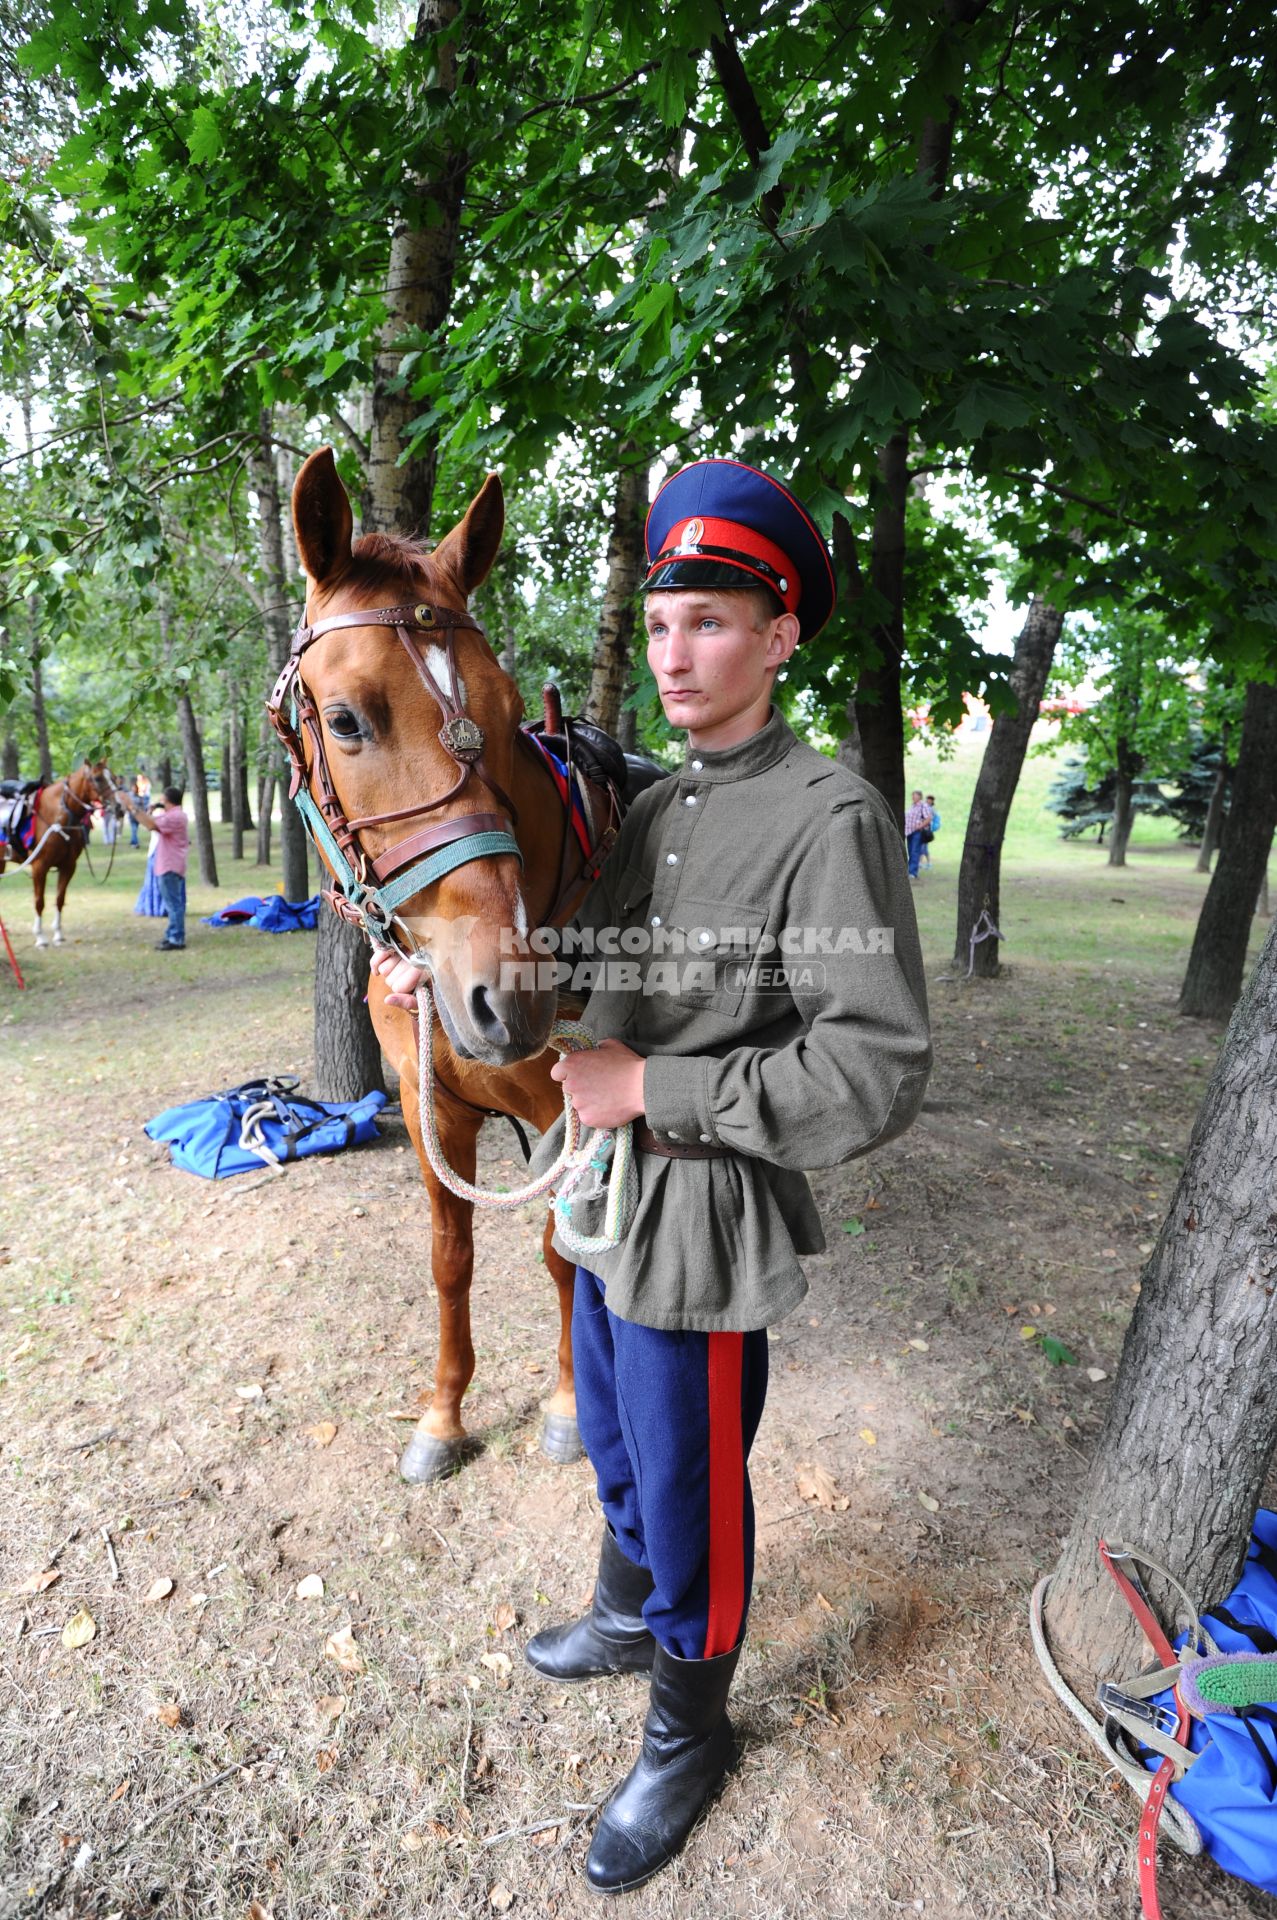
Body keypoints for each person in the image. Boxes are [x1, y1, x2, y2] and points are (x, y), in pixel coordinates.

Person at [372, 459, 932, 1894]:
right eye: (663, 621)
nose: (677, 653)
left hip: (704, 1220)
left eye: (713, 623)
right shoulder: (662, 810)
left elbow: (870, 1069)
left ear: (781, 636)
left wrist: (654, 1087)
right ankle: (628, 1615)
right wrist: (438, 974)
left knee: (695, 1500)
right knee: (619, 1449)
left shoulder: (830, 819)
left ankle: (689, 1731)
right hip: (606, 1201)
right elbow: (592, 979)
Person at [117, 784, 189, 949]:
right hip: (172, 864)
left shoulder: (174, 817)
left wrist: (131, 805)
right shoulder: (174, 814)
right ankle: (172, 934)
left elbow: (150, 824)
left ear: (167, 800)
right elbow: (150, 821)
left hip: (170, 865)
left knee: (173, 904)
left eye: (162, 798)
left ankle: (176, 939)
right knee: (173, 903)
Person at [905, 788, 932, 878]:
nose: (913, 796)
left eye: (915, 795)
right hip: (909, 832)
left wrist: (920, 826)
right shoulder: (912, 806)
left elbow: (928, 818)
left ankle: (913, 872)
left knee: (915, 851)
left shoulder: (923, 806)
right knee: (910, 851)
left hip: (917, 832)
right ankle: (909, 870)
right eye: (912, 795)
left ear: (919, 796)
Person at [920, 791, 940, 868]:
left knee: (923, 847)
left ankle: (924, 863)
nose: (929, 800)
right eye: (928, 799)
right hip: (924, 830)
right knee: (923, 847)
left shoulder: (931, 809)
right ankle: (926, 863)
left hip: (927, 831)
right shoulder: (926, 808)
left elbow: (930, 819)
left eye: (930, 799)